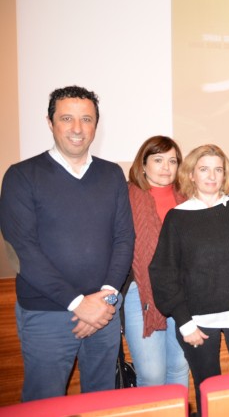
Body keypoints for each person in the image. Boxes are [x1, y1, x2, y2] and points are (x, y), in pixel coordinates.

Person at [0, 85, 135, 401]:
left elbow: (124, 238)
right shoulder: (22, 176)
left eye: (86, 119)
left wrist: (105, 299)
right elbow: (22, 250)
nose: (77, 128)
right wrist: (79, 304)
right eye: (67, 118)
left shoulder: (112, 174)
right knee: (43, 402)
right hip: (47, 312)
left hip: (104, 309)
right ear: (50, 123)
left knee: (100, 401)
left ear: (96, 126)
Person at [149, 144, 229, 413]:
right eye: (204, 169)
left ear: (225, 175)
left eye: (218, 170)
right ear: (191, 175)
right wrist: (184, 323)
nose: (212, 176)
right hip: (197, 321)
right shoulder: (177, 218)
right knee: (208, 389)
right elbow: (163, 273)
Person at [123, 136, 189, 387]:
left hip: (183, 292)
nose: (166, 167)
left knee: (179, 366)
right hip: (141, 294)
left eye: (172, 161)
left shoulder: (188, 198)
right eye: (158, 160)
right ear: (143, 164)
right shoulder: (126, 196)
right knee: (151, 374)